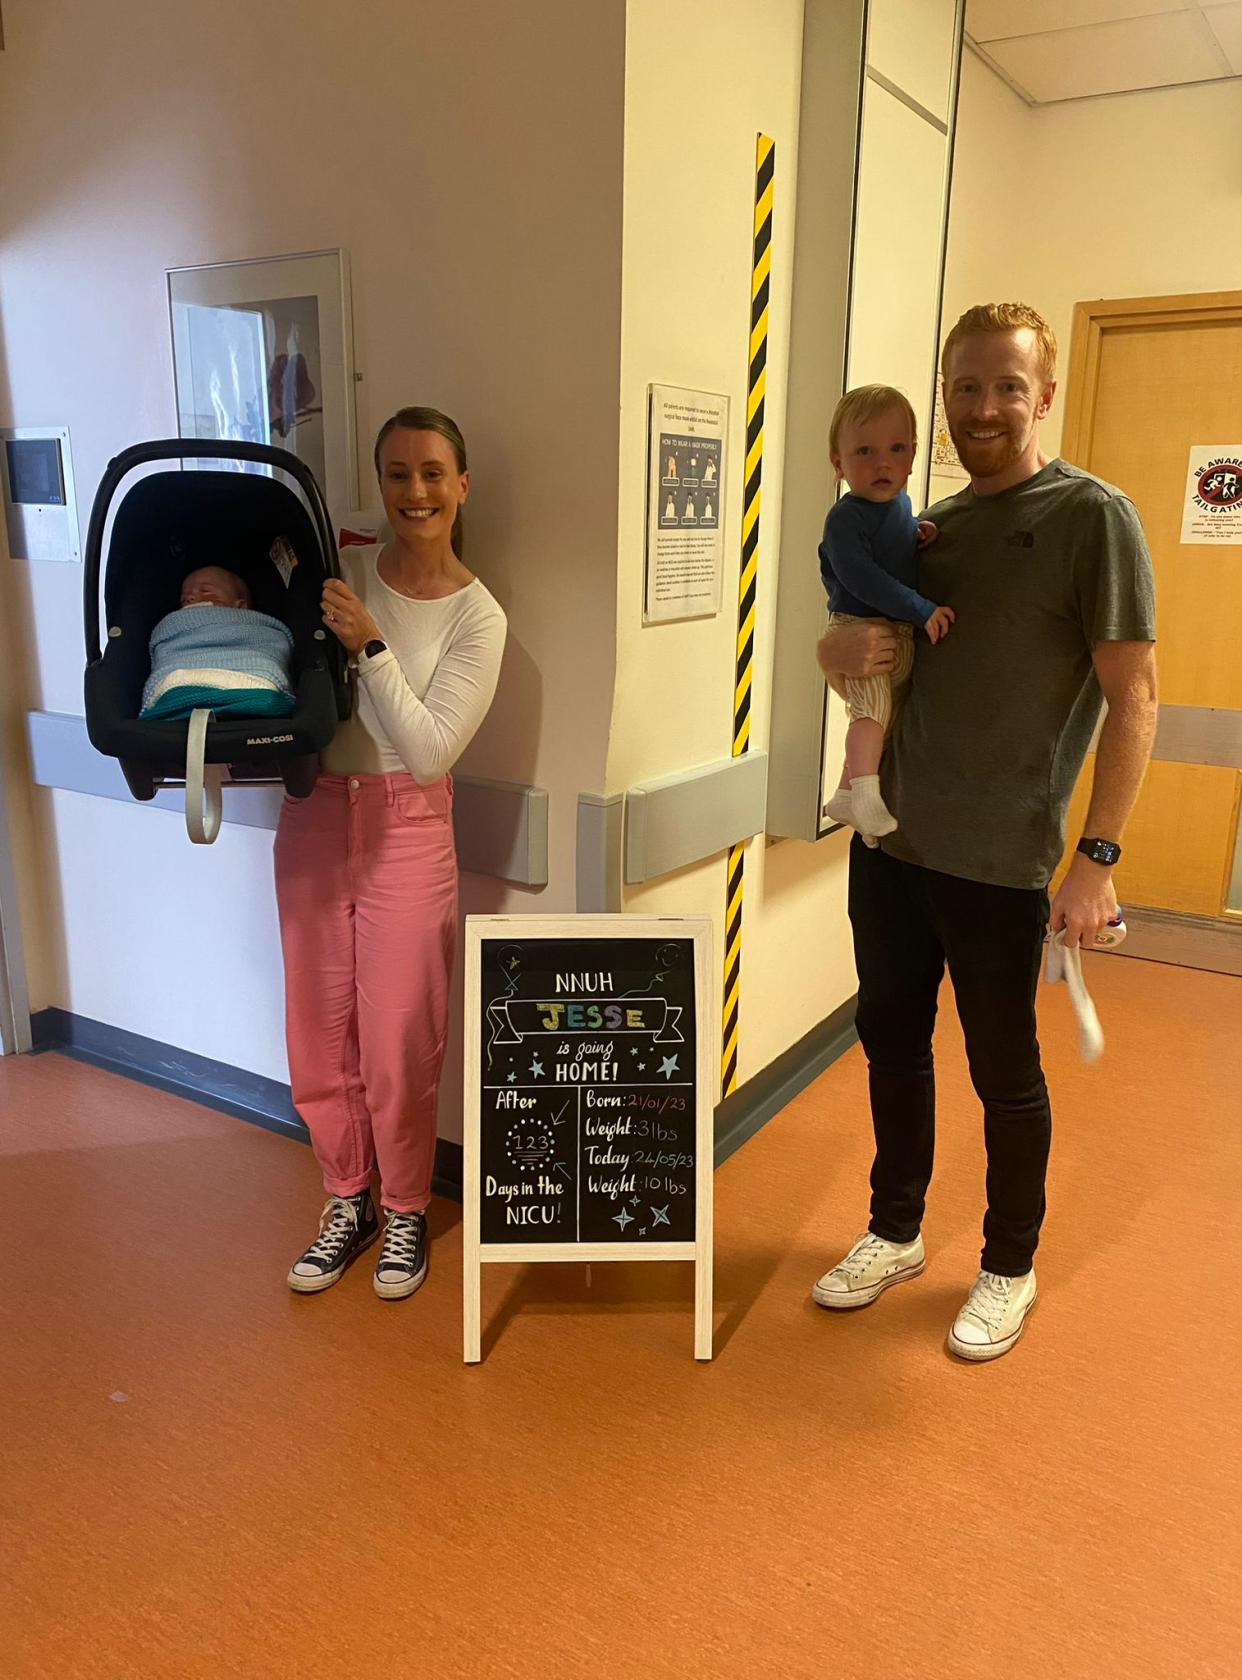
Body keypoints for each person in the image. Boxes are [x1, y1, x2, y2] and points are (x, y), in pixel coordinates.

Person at [811, 303, 1157, 1361]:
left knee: (1003, 1070)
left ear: (1044, 393)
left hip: (1004, 860)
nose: (985, 407)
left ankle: (1009, 1263)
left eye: (1009, 385)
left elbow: (1134, 694)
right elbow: (871, 644)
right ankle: (895, 1229)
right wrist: (834, 650)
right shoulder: (928, 527)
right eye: (966, 387)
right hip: (896, 845)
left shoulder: (1093, 518)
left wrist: (1097, 859)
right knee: (891, 1047)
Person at [277, 407, 507, 1300]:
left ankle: (405, 1205)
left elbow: (430, 750)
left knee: (401, 1035)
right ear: (380, 483)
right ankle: (348, 1199)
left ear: (462, 485)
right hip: (314, 816)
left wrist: (368, 643)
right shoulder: (341, 572)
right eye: (398, 474)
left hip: (410, 824)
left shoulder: (477, 615)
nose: (415, 492)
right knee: (317, 1026)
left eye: (432, 473)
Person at [818, 385, 953, 841]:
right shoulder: (845, 518)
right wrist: (921, 609)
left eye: (897, 448)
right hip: (859, 625)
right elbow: (863, 579)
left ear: (914, 454)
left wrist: (915, 532)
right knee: (872, 712)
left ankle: (844, 792)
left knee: (883, 712)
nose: (883, 463)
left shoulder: (901, 505)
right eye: (865, 451)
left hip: (894, 629)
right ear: (839, 464)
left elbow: (891, 544)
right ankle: (865, 796)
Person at [139, 566, 295, 720]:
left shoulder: (258, 627)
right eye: (184, 599)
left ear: (240, 607)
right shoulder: (175, 624)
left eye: (206, 592)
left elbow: (273, 646)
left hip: (254, 677)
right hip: (176, 679)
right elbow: (165, 651)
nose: (190, 598)